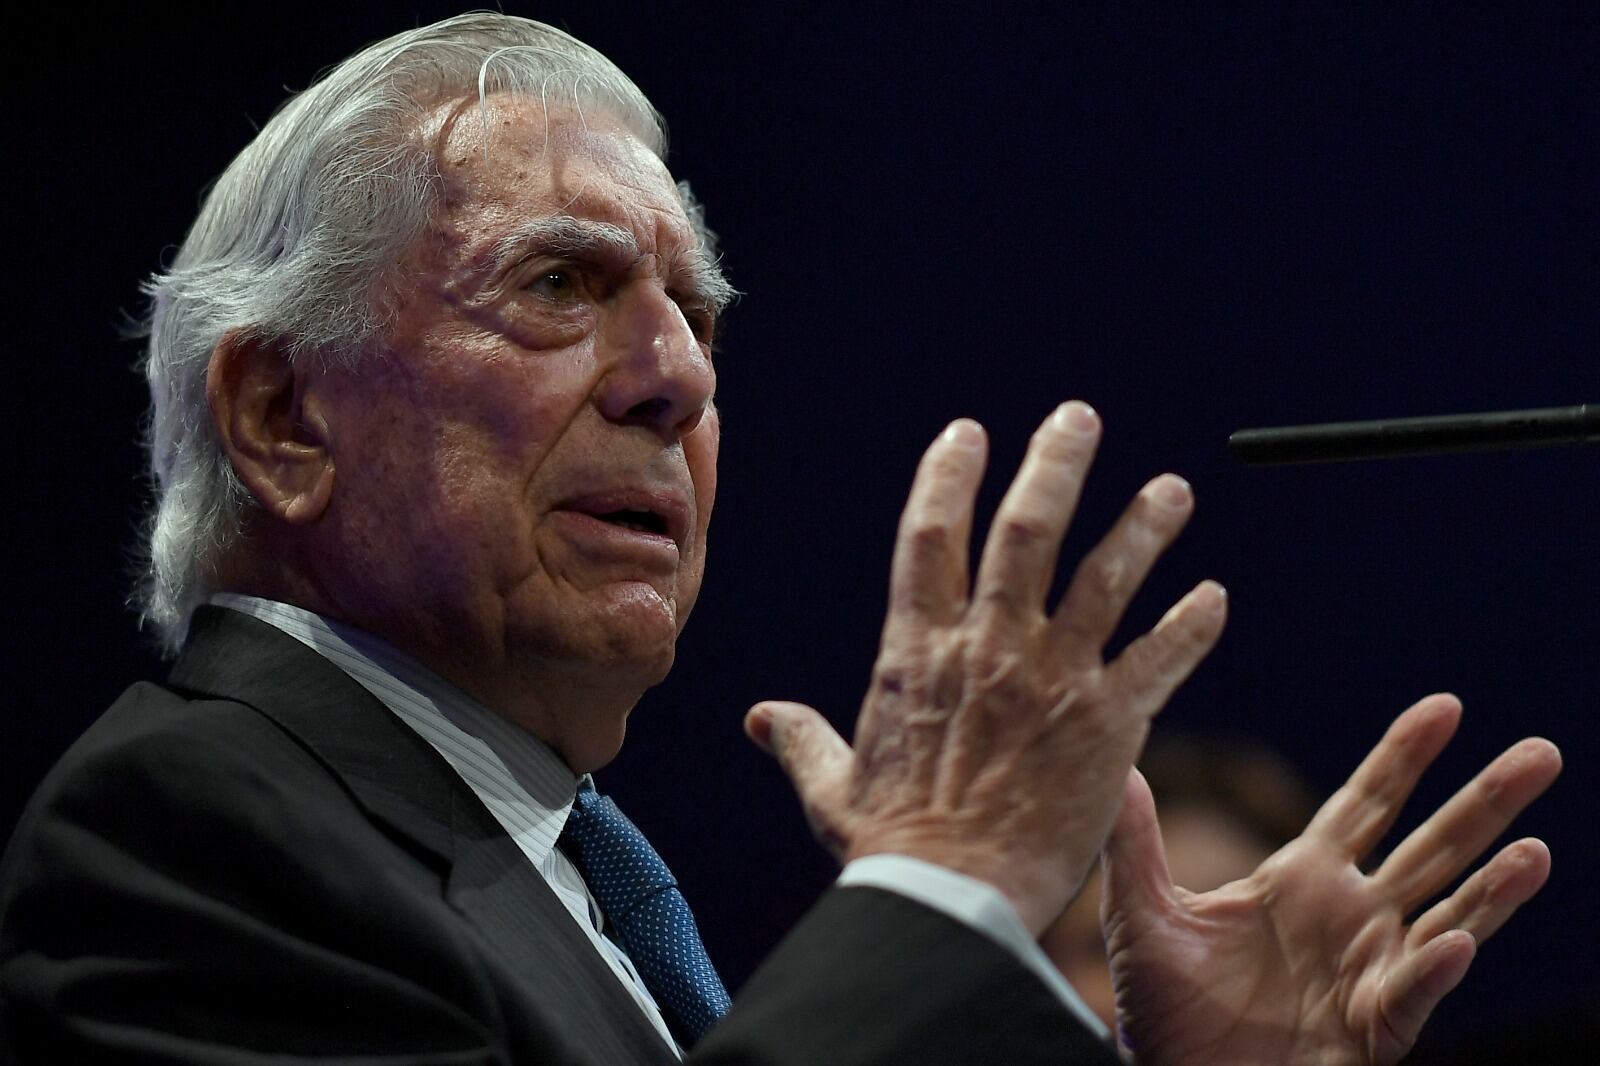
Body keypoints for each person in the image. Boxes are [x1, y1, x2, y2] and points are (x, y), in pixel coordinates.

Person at [0, 13, 1561, 1065]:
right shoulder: (184, 834)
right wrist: (945, 888)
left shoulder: (560, 869)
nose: (678, 375)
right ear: (282, 416)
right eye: (560, 284)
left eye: (695, 313)